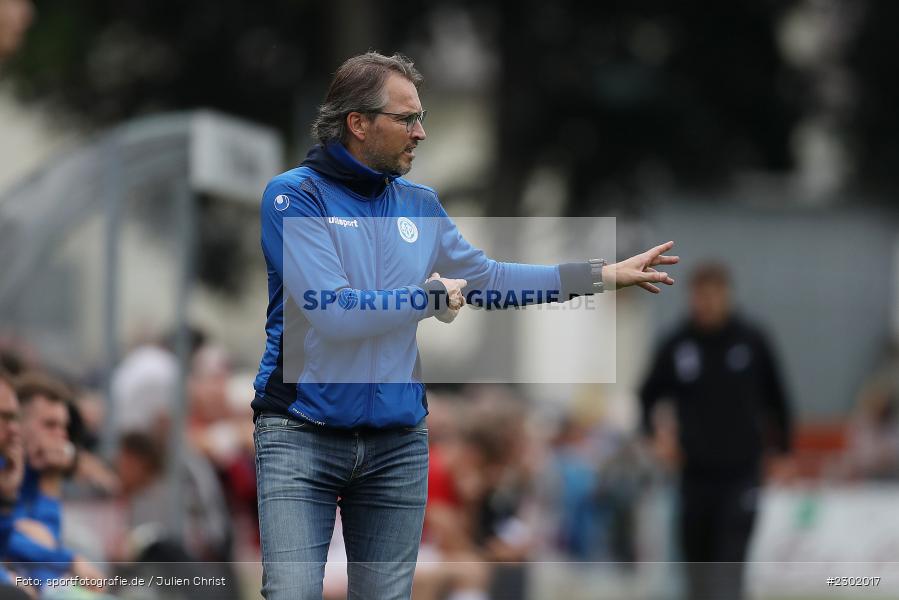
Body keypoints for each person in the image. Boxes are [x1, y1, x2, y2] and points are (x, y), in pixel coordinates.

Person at [252, 51, 679, 600]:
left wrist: (599, 276)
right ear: (358, 123)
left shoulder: (420, 204)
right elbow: (334, 312)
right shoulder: (293, 196)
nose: (421, 132)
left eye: (421, 117)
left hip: (396, 441)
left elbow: (490, 280)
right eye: (407, 119)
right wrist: (428, 296)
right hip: (301, 431)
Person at [639, 262, 792, 600]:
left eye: (713, 296)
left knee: (728, 563)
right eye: (699, 296)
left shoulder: (752, 341)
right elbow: (647, 396)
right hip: (693, 476)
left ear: (727, 296)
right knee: (697, 568)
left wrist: (783, 452)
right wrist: (656, 438)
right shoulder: (678, 344)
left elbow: (778, 399)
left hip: (741, 473)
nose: (706, 304)